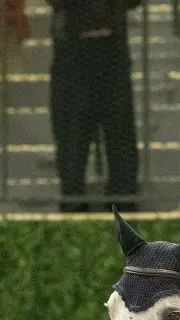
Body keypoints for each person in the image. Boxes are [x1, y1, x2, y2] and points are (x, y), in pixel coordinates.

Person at [48, 0, 137, 213]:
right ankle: (73, 202)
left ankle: (123, 199)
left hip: (112, 45)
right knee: (72, 132)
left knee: (120, 129)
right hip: (73, 47)